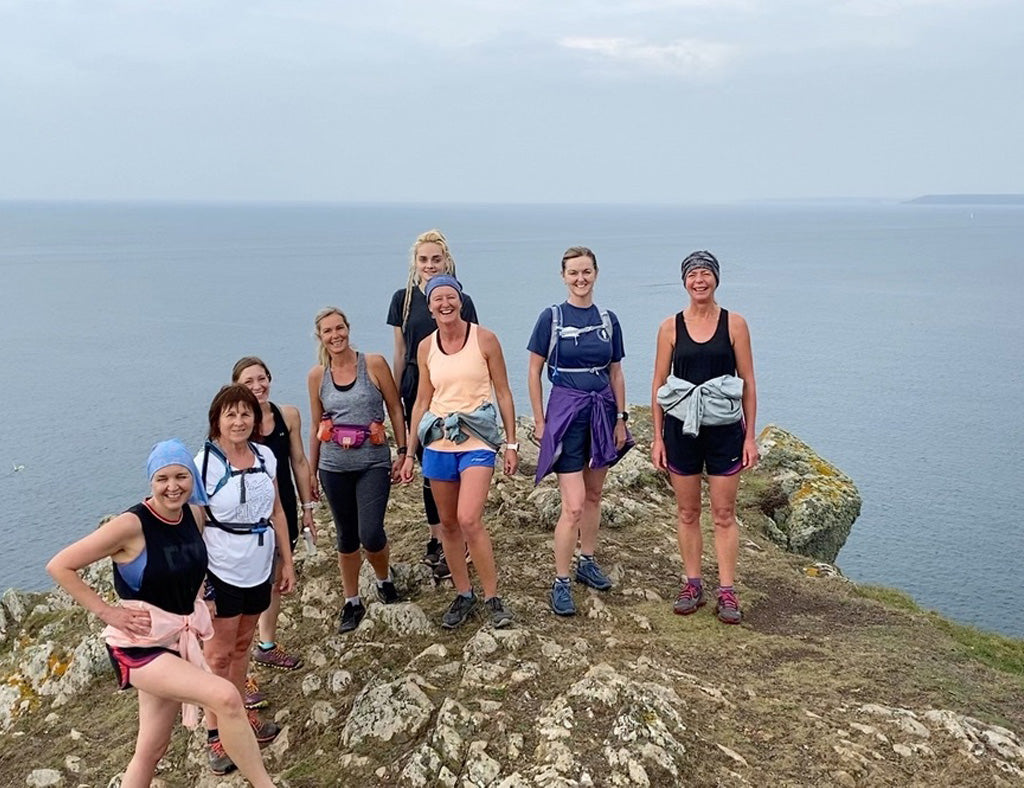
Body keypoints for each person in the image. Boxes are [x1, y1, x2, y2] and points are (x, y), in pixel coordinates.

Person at [46, 440, 279, 787]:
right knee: (227, 696)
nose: (173, 486)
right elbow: (60, 565)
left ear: (192, 479)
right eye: (163, 478)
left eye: (181, 476)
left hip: (175, 641)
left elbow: (188, 564)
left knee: (151, 749)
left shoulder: (193, 514)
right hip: (138, 646)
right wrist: (108, 613)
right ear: (151, 482)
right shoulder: (131, 525)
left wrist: (201, 595)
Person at [400, 274, 517, 630]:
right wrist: (408, 453)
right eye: (438, 299)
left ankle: (493, 596)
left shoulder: (485, 339)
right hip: (437, 440)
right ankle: (464, 594)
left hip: (478, 437)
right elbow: (421, 399)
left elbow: (503, 392)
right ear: (430, 306)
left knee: (469, 519)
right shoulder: (425, 347)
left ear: (460, 301)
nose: (444, 304)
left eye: (450, 297)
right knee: (448, 524)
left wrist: (511, 444)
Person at [650, 251, 758, 625]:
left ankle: (727, 591)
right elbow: (659, 384)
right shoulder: (669, 327)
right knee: (687, 511)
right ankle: (692, 584)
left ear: (716, 279)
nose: (700, 280)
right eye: (693, 274)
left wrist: (750, 437)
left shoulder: (735, 324)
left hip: (726, 430)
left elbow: (748, 383)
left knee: (725, 514)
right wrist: (658, 438)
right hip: (681, 429)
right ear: (684, 281)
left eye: (706, 274)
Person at [527, 246, 632, 617]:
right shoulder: (551, 318)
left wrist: (621, 417)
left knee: (594, 494)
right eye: (573, 273)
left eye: (586, 272)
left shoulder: (608, 319)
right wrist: (540, 421)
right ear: (563, 276)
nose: (580, 279)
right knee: (571, 505)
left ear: (596, 273)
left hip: (602, 412)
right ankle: (561, 581)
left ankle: (587, 561)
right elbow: (533, 371)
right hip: (567, 414)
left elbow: (615, 371)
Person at [197, 384, 296, 773]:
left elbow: (277, 513)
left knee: (241, 648)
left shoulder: (265, 456)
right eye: (230, 414)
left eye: (245, 414)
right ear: (216, 421)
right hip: (220, 570)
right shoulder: (203, 464)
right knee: (217, 655)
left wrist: (286, 562)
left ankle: (238, 719)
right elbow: (195, 526)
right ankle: (215, 734)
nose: (239, 421)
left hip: (258, 568)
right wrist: (200, 587)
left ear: (255, 420)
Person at [307, 307, 406, 635]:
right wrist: (310, 470)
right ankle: (352, 601)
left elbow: (394, 407)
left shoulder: (373, 364)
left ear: (348, 329)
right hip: (333, 466)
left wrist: (404, 451)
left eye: (340, 328)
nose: (335, 335)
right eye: (327, 331)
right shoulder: (317, 376)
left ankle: (384, 579)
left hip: (372, 462)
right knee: (346, 537)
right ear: (320, 336)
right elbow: (315, 424)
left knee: (371, 534)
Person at [387, 229, 479, 577]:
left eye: (435, 259)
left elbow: (475, 347)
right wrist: (395, 397)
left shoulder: (461, 299)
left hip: (453, 388)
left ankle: (462, 532)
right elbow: (399, 352)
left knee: (456, 458)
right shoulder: (403, 300)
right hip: (416, 384)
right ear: (415, 263)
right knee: (430, 464)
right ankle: (437, 537)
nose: (429, 265)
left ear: (447, 261)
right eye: (423, 260)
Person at [232, 357, 316, 707]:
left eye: (262, 378)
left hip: (282, 515)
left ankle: (266, 646)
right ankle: (241, 672)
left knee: (276, 581)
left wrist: (308, 507)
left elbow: (298, 461)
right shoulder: (235, 426)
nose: (257, 386)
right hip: (248, 522)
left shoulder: (288, 416)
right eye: (248, 381)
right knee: (245, 597)